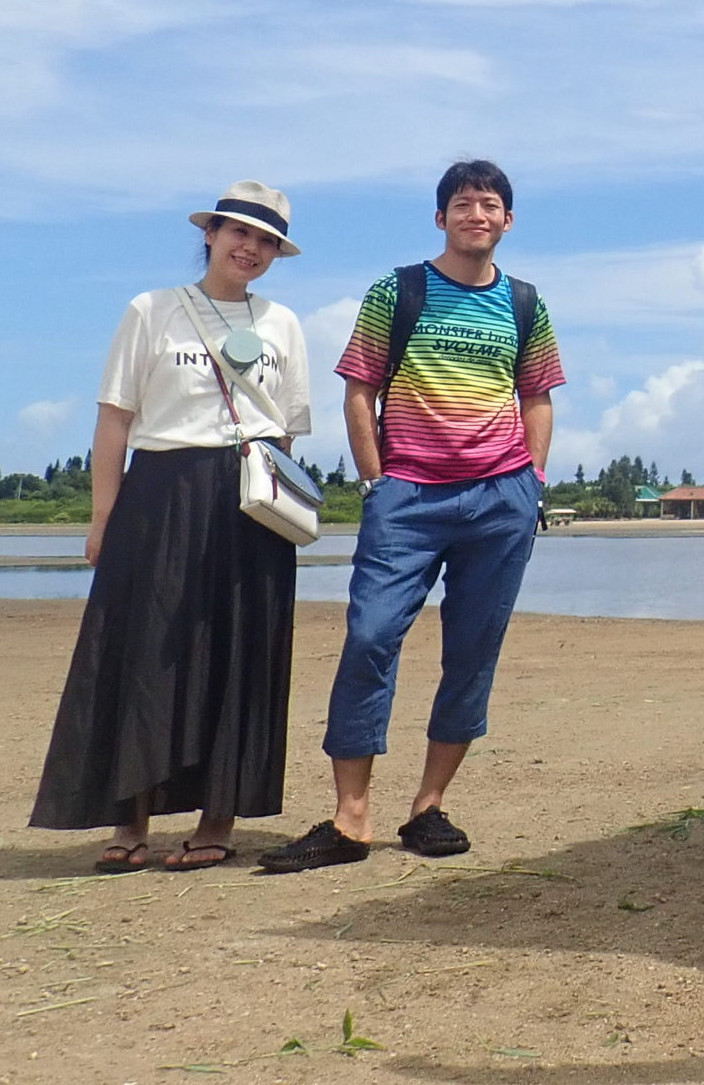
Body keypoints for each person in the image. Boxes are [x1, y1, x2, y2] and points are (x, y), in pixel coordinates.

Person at [259, 159, 562, 872]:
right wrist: (376, 481)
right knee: (369, 638)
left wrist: (534, 481)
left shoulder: (524, 302)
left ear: (507, 221)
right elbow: (359, 390)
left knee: (472, 652)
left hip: (500, 500)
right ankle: (350, 817)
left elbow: (538, 394)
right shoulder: (400, 291)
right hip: (408, 498)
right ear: (441, 219)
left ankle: (427, 806)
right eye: (463, 205)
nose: (476, 216)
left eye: (490, 205)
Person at [31, 181, 313, 872]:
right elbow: (115, 421)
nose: (251, 248)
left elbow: (289, 430)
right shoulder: (152, 310)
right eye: (239, 233)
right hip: (160, 493)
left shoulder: (283, 324)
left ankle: (218, 820)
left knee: (240, 655)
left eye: (266, 240)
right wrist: (105, 515)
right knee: (145, 651)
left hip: (251, 503)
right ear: (211, 234)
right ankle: (131, 821)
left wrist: (270, 497)